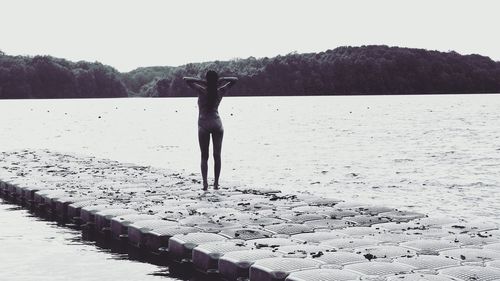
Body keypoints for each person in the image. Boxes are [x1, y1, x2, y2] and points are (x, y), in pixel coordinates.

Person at [183, 71, 238, 190]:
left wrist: (202, 81)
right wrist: (222, 79)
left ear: (206, 79)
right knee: (217, 155)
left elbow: (186, 79)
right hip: (217, 123)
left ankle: (205, 183)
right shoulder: (220, 91)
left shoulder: (201, 90)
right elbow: (234, 80)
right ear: (216, 80)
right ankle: (216, 183)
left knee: (204, 156)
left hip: (204, 124)